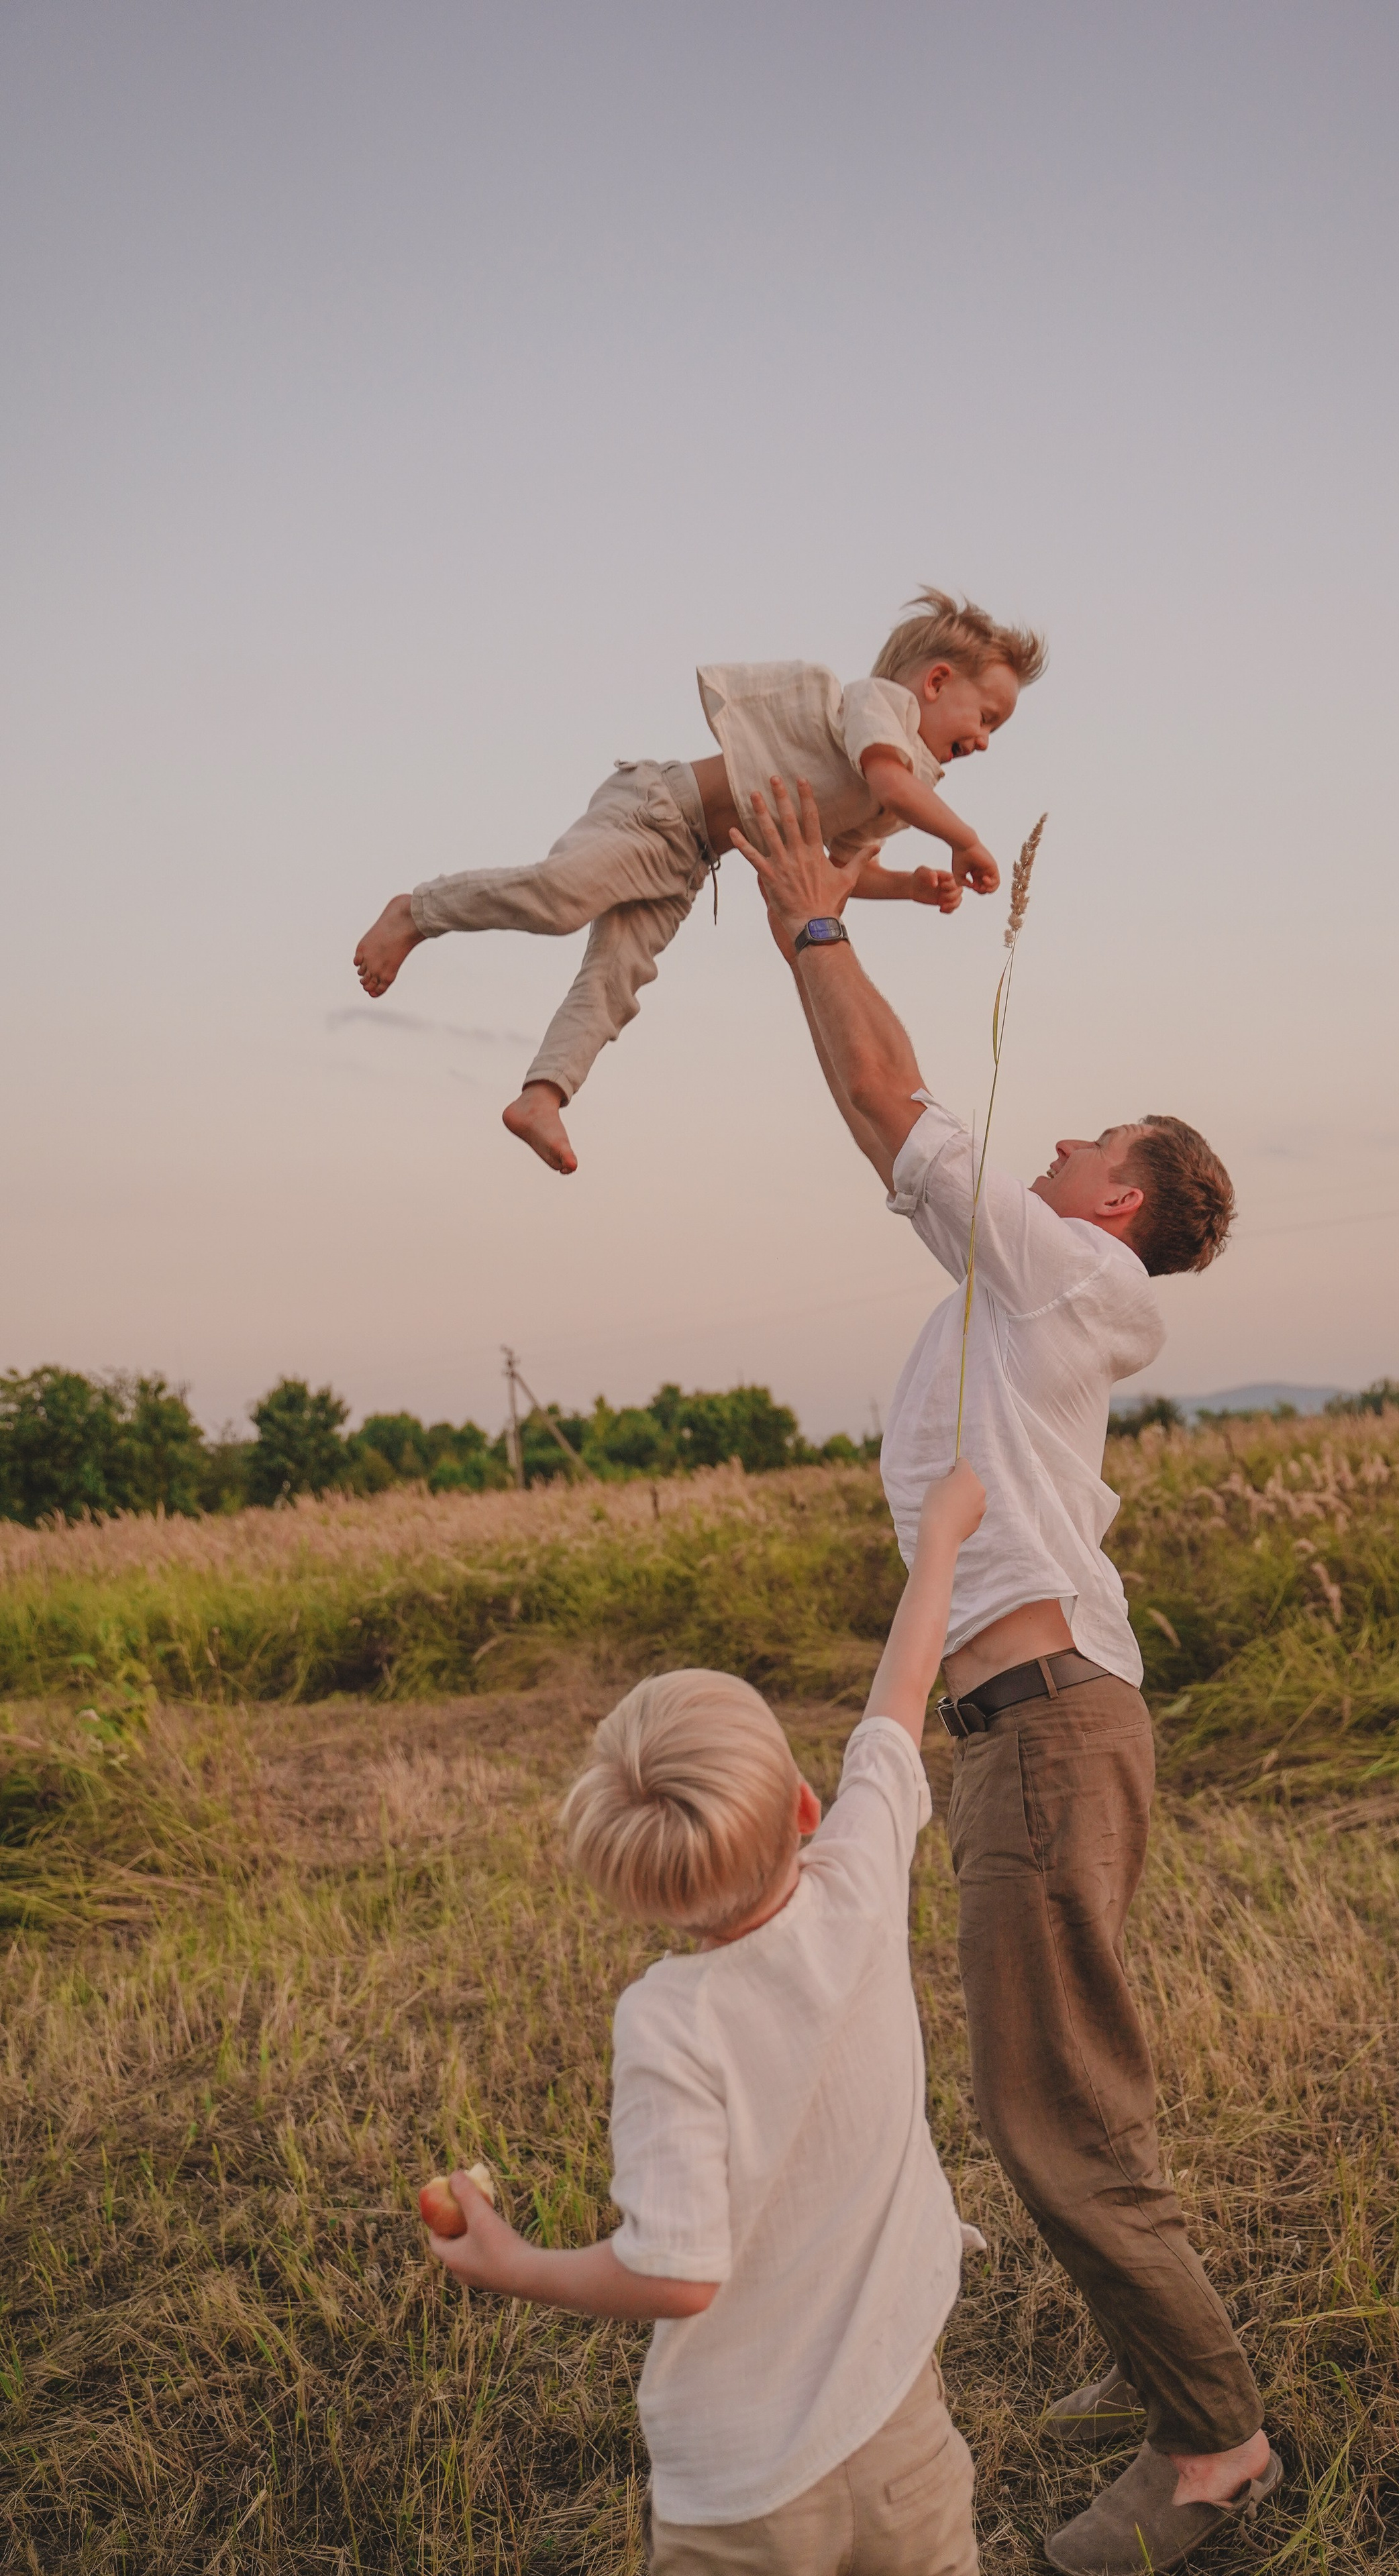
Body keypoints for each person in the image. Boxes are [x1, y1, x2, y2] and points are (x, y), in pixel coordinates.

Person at [731, 779, 1284, 2576]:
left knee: (1057, 2112)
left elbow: (896, 1104)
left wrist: (816, 920)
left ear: (1119, 1195)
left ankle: (1219, 2458)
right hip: (1033, 1731)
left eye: (1084, 1139)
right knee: (1056, 2091)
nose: (1048, 1146)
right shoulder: (1033, 1291)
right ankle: (1164, 2375)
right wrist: (816, 927)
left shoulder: (1058, 1271)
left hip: (1041, 1735)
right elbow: (895, 1118)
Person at [425, 1458, 990, 2576]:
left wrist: (515, 2264)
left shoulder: (668, 2024)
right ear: (802, 1807)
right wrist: (941, 1541)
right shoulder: (863, 1881)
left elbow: (680, 2273)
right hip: (900, 2428)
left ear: (632, 1889)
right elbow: (901, 1697)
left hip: (743, 2495)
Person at [352, 588, 1045, 1174]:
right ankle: (417, 910)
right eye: (986, 717)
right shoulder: (876, 708)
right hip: (657, 808)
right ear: (936, 681)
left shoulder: (898, 794)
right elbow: (886, 774)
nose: (985, 740)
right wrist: (964, 839)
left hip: (686, 862)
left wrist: (909, 888)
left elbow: (834, 871)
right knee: (563, 896)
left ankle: (543, 1095)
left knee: (614, 978)